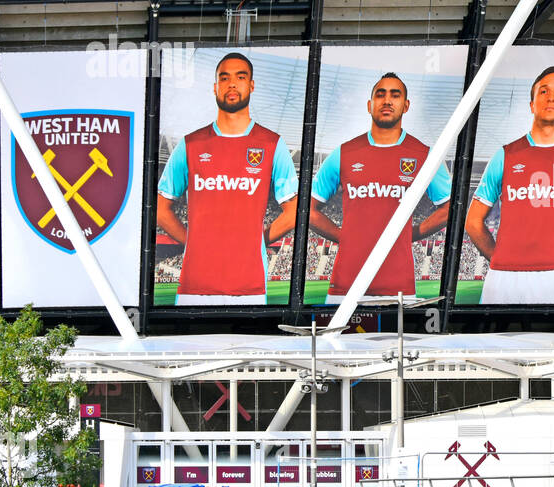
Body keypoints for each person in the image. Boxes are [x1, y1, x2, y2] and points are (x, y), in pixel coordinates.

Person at [269, 73, 451, 302]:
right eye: (380, 94)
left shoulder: (425, 155)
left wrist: (409, 235)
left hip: (398, 286)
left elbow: (450, 208)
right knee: (334, 339)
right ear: (369, 105)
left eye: (395, 95)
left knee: (396, 339)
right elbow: (307, 210)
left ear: (406, 105)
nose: (387, 101)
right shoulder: (343, 153)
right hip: (344, 284)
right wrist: (342, 236)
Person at [156, 51, 298, 304]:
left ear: (251, 85)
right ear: (215, 87)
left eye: (240, 77)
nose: (232, 83)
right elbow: (160, 208)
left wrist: (256, 242)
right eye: (224, 78)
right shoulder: (190, 145)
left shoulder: (272, 144)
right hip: (193, 288)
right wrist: (193, 242)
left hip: (250, 288)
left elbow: (294, 211)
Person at [464, 66, 554, 304]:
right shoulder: (505, 155)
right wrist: (497, 257)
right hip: (501, 275)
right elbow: (473, 221)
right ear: (532, 104)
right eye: (543, 91)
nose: (550, 97)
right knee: (490, 340)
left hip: (550, 275)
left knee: (543, 340)